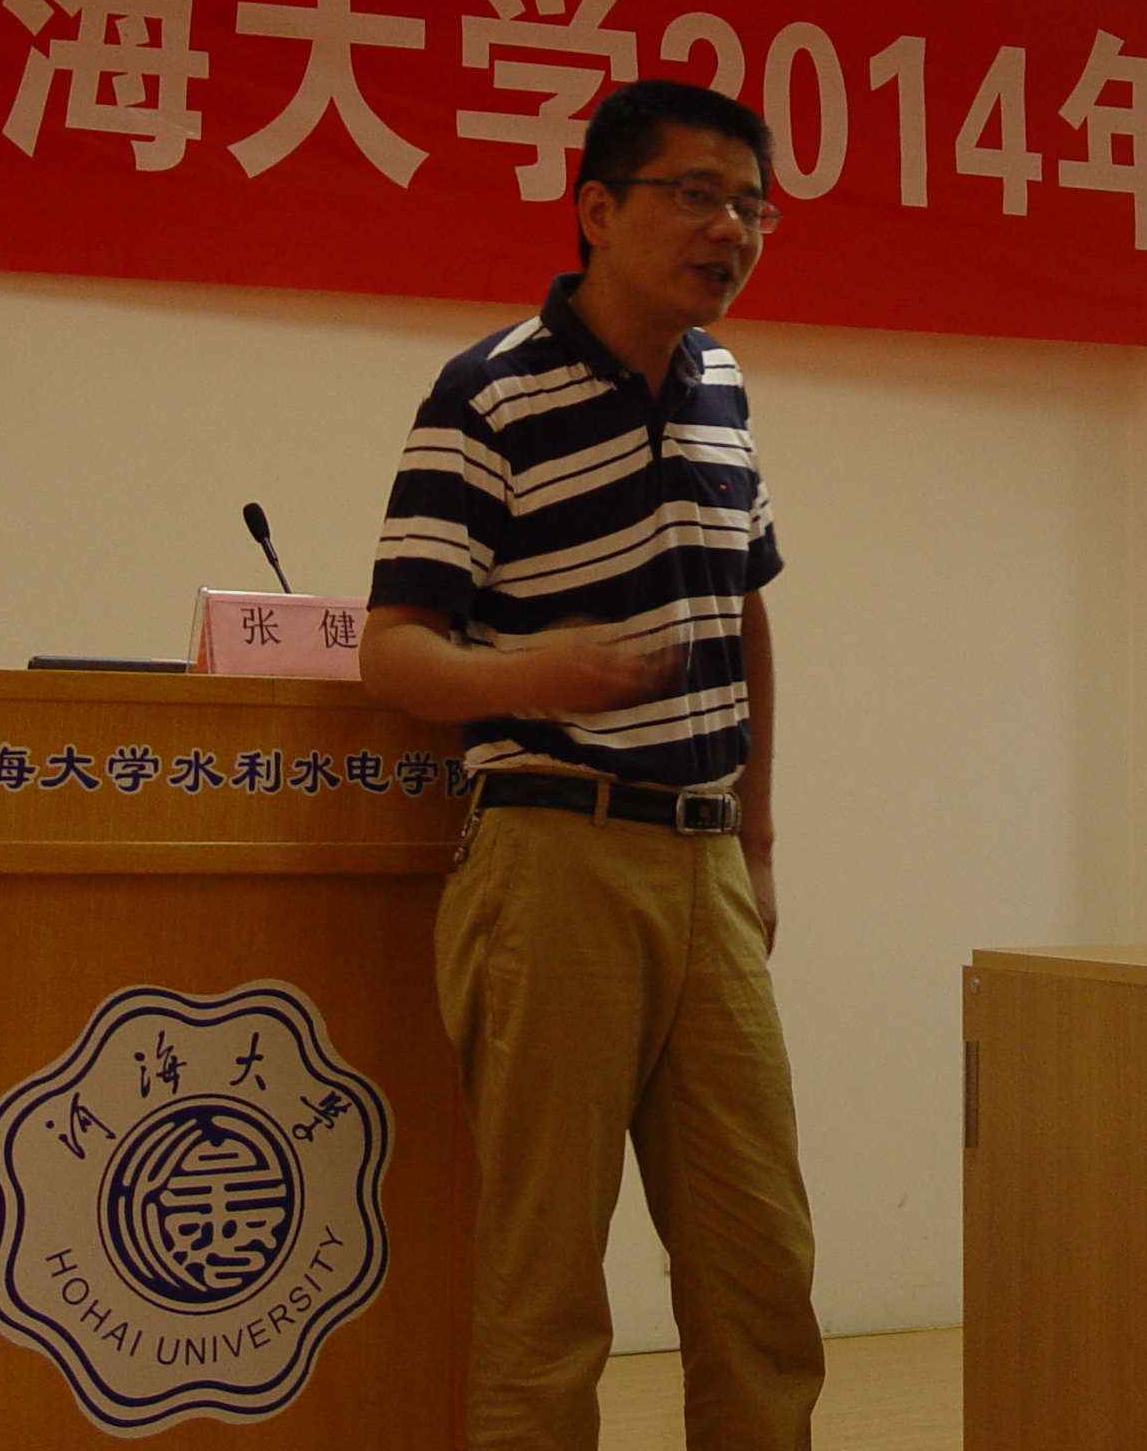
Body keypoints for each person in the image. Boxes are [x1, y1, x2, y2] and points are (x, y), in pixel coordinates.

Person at [360, 79, 821, 1451]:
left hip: (704, 860)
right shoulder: (488, 394)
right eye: (697, 196)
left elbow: (745, 612)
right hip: (550, 853)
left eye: (752, 206)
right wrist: (532, 674)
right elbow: (394, 650)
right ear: (599, 211)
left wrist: (758, 840)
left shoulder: (722, 387)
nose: (730, 229)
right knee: (546, 1281)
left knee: (761, 1264)